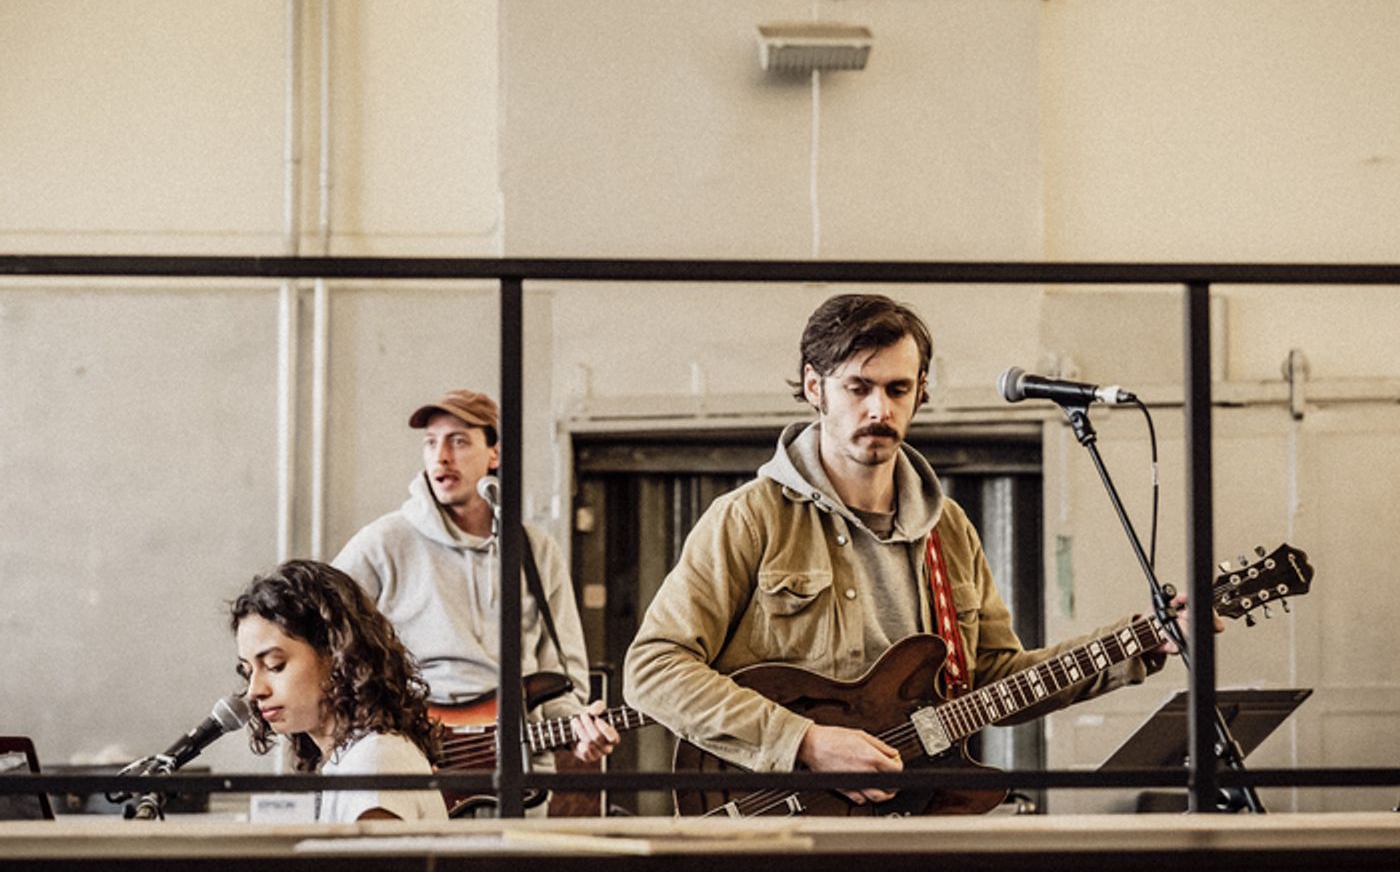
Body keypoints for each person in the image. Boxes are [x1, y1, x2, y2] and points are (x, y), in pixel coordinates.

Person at [624, 293, 1214, 807]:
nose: (879, 409)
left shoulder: (948, 530)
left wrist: (1140, 642)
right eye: (858, 387)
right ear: (814, 388)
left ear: (920, 392)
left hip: (908, 815)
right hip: (774, 818)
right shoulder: (749, 517)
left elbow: (991, 678)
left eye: (897, 389)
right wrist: (803, 741)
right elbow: (652, 669)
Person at [331, 389, 617, 787]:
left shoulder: (535, 551)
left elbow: (561, 675)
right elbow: (317, 634)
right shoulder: (383, 543)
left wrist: (578, 732)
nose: (441, 456)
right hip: (416, 768)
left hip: (520, 775)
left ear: (494, 455)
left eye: (459, 441)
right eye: (431, 442)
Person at [231, 559, 448, 823]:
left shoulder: (375, 760)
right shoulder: (348, 760)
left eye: (275, 665)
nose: (255, 690)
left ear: (336, 655)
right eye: (248, 671)